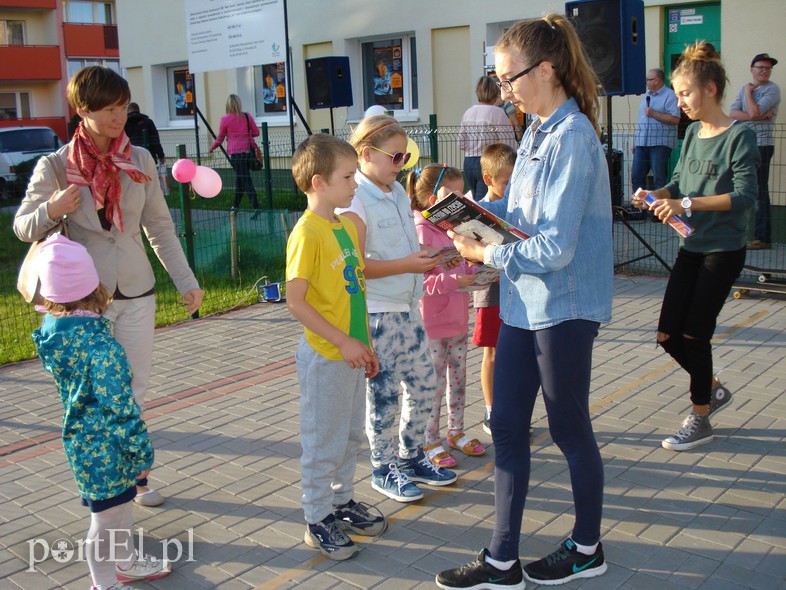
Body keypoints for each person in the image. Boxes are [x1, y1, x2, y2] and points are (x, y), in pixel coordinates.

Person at [436, 14, 613, 588]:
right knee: (507, 425)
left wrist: (489, 258)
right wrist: (473, 232)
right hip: (520, 304)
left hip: (563, 307)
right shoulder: (534, 131)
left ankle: (588, 548)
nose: (504, 88)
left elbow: (558, 246)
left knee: (569, 429)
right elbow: (519, 219)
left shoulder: (576, 137)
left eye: (510, 77)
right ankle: (501, 559)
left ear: (549, 69)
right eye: (500, 77)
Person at [14, 66, 203, 507]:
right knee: (96, 396)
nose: (120, 117)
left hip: (137, 289)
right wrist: (52, 208)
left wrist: (186, 280)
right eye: (109, 109)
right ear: (83, 110)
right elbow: (23, 226)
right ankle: (107, 485)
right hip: (82, 300)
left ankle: (136, 476)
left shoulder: (138, 160)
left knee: (133, 388)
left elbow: (159, 225)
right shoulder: (56, 166)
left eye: (123, 106)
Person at [632, 42, 758, 452]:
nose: (680, 101)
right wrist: (655, 193)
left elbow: (743, 196)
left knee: (695, 334)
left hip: (723, 249)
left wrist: (682, 203)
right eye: (678, 94)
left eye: (685, 93)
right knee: (669, 335)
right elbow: (679, 184)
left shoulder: (739, 136)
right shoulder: (690, 135)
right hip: (692, 245)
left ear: (710, 88)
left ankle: (700, 414)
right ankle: (713, 388)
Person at [32, 233, 171, 589]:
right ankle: (103, 584)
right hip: (108, 449)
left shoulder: (55, 332)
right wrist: (143, 453)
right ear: (93, 286)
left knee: (117, 512)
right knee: (105, 524)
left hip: (83, 444)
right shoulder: (101, 347)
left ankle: (124, 564)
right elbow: (121, 409)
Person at [337, 115, 458, 504]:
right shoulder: (354, 197)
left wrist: (432, 257)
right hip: (377, 313)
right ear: (366, 153)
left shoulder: (396, 192)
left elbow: (405, 249)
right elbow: (354, 266)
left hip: (408, 307)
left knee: (426, 384)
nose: (402, 163)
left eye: (406, 156)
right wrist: (408, 265)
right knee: (385, 393)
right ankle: (382, 466)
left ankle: (410, 456)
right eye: (395, 155)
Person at [287, 134, 387, 561]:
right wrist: (343, 341)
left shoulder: (345, 225)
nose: (354, 185)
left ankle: (342, 502)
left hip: (351, 353)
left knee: (349, 437)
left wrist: (363, 343)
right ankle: (316, 517)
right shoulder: (307, 233)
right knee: (323, 440)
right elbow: (296, 301)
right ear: (317, 183)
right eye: (347, 177)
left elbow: (356, 291)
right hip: (325, 357)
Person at [406, 163, 485, 469]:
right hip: (432, 325)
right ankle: (430, 440)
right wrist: (454, 279)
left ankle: (456, 432)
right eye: (453, 195)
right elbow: (419, 284)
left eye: (462, 194)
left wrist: (477, 268)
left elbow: (461, 266)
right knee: (434, 385)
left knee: (459, 380)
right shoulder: (419, 232)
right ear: (431, 200)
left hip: (457, 320)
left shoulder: (455, 228)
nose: (461, 200)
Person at [474, 143, 516, 436]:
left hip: (518, 290)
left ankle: (513, 409)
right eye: (505, 182)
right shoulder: (476, 213)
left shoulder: (518, 207)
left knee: (516, 355)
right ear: (489, 180)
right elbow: (470, 254)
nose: (511, 187)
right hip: (491, 291)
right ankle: (491, 410)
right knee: (492, 353)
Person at [730, 53, 780, 250]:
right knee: (742, 188)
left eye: (767, 68)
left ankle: (762, 238)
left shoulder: (772, 89)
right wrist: (757, 116)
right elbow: (732, 113)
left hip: (762, 144)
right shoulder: (745, 88)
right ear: (752, 69)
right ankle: (741, 233)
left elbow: (752, 113)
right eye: (760, 67)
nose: (764, 71)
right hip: (744, 143)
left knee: (760, 190)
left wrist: (749, 97)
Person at [458, 76, 517, 200]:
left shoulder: (468, 112)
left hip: (468, 162)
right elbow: (509, 143)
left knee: (475, 199)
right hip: (488, 162)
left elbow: (461, 144)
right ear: (495, 93)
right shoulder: (497, 113)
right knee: (484, 204)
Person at [631, 69, 681, 201]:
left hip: (660, 144)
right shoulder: (647, 96)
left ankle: (658, 211)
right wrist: (636, 142)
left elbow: (675, 119)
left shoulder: (670, 95)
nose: (646, 82)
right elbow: (642, 120)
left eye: (648, 79)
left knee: (659, 179)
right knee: (637, 176)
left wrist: (654, 114)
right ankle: (637, 210)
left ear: (657, 80)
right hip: (642, 143)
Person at [208, 94, 260, 214]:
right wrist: (246, 136)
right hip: (247, 153)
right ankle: (235, 207)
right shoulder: (247, 117)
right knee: (240, 180)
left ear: (228, 105)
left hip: (235, 155)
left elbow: (220, 138)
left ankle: (256, 206)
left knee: (245, 180)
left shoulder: (225, 120)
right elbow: (256, 132)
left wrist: (212, 148)